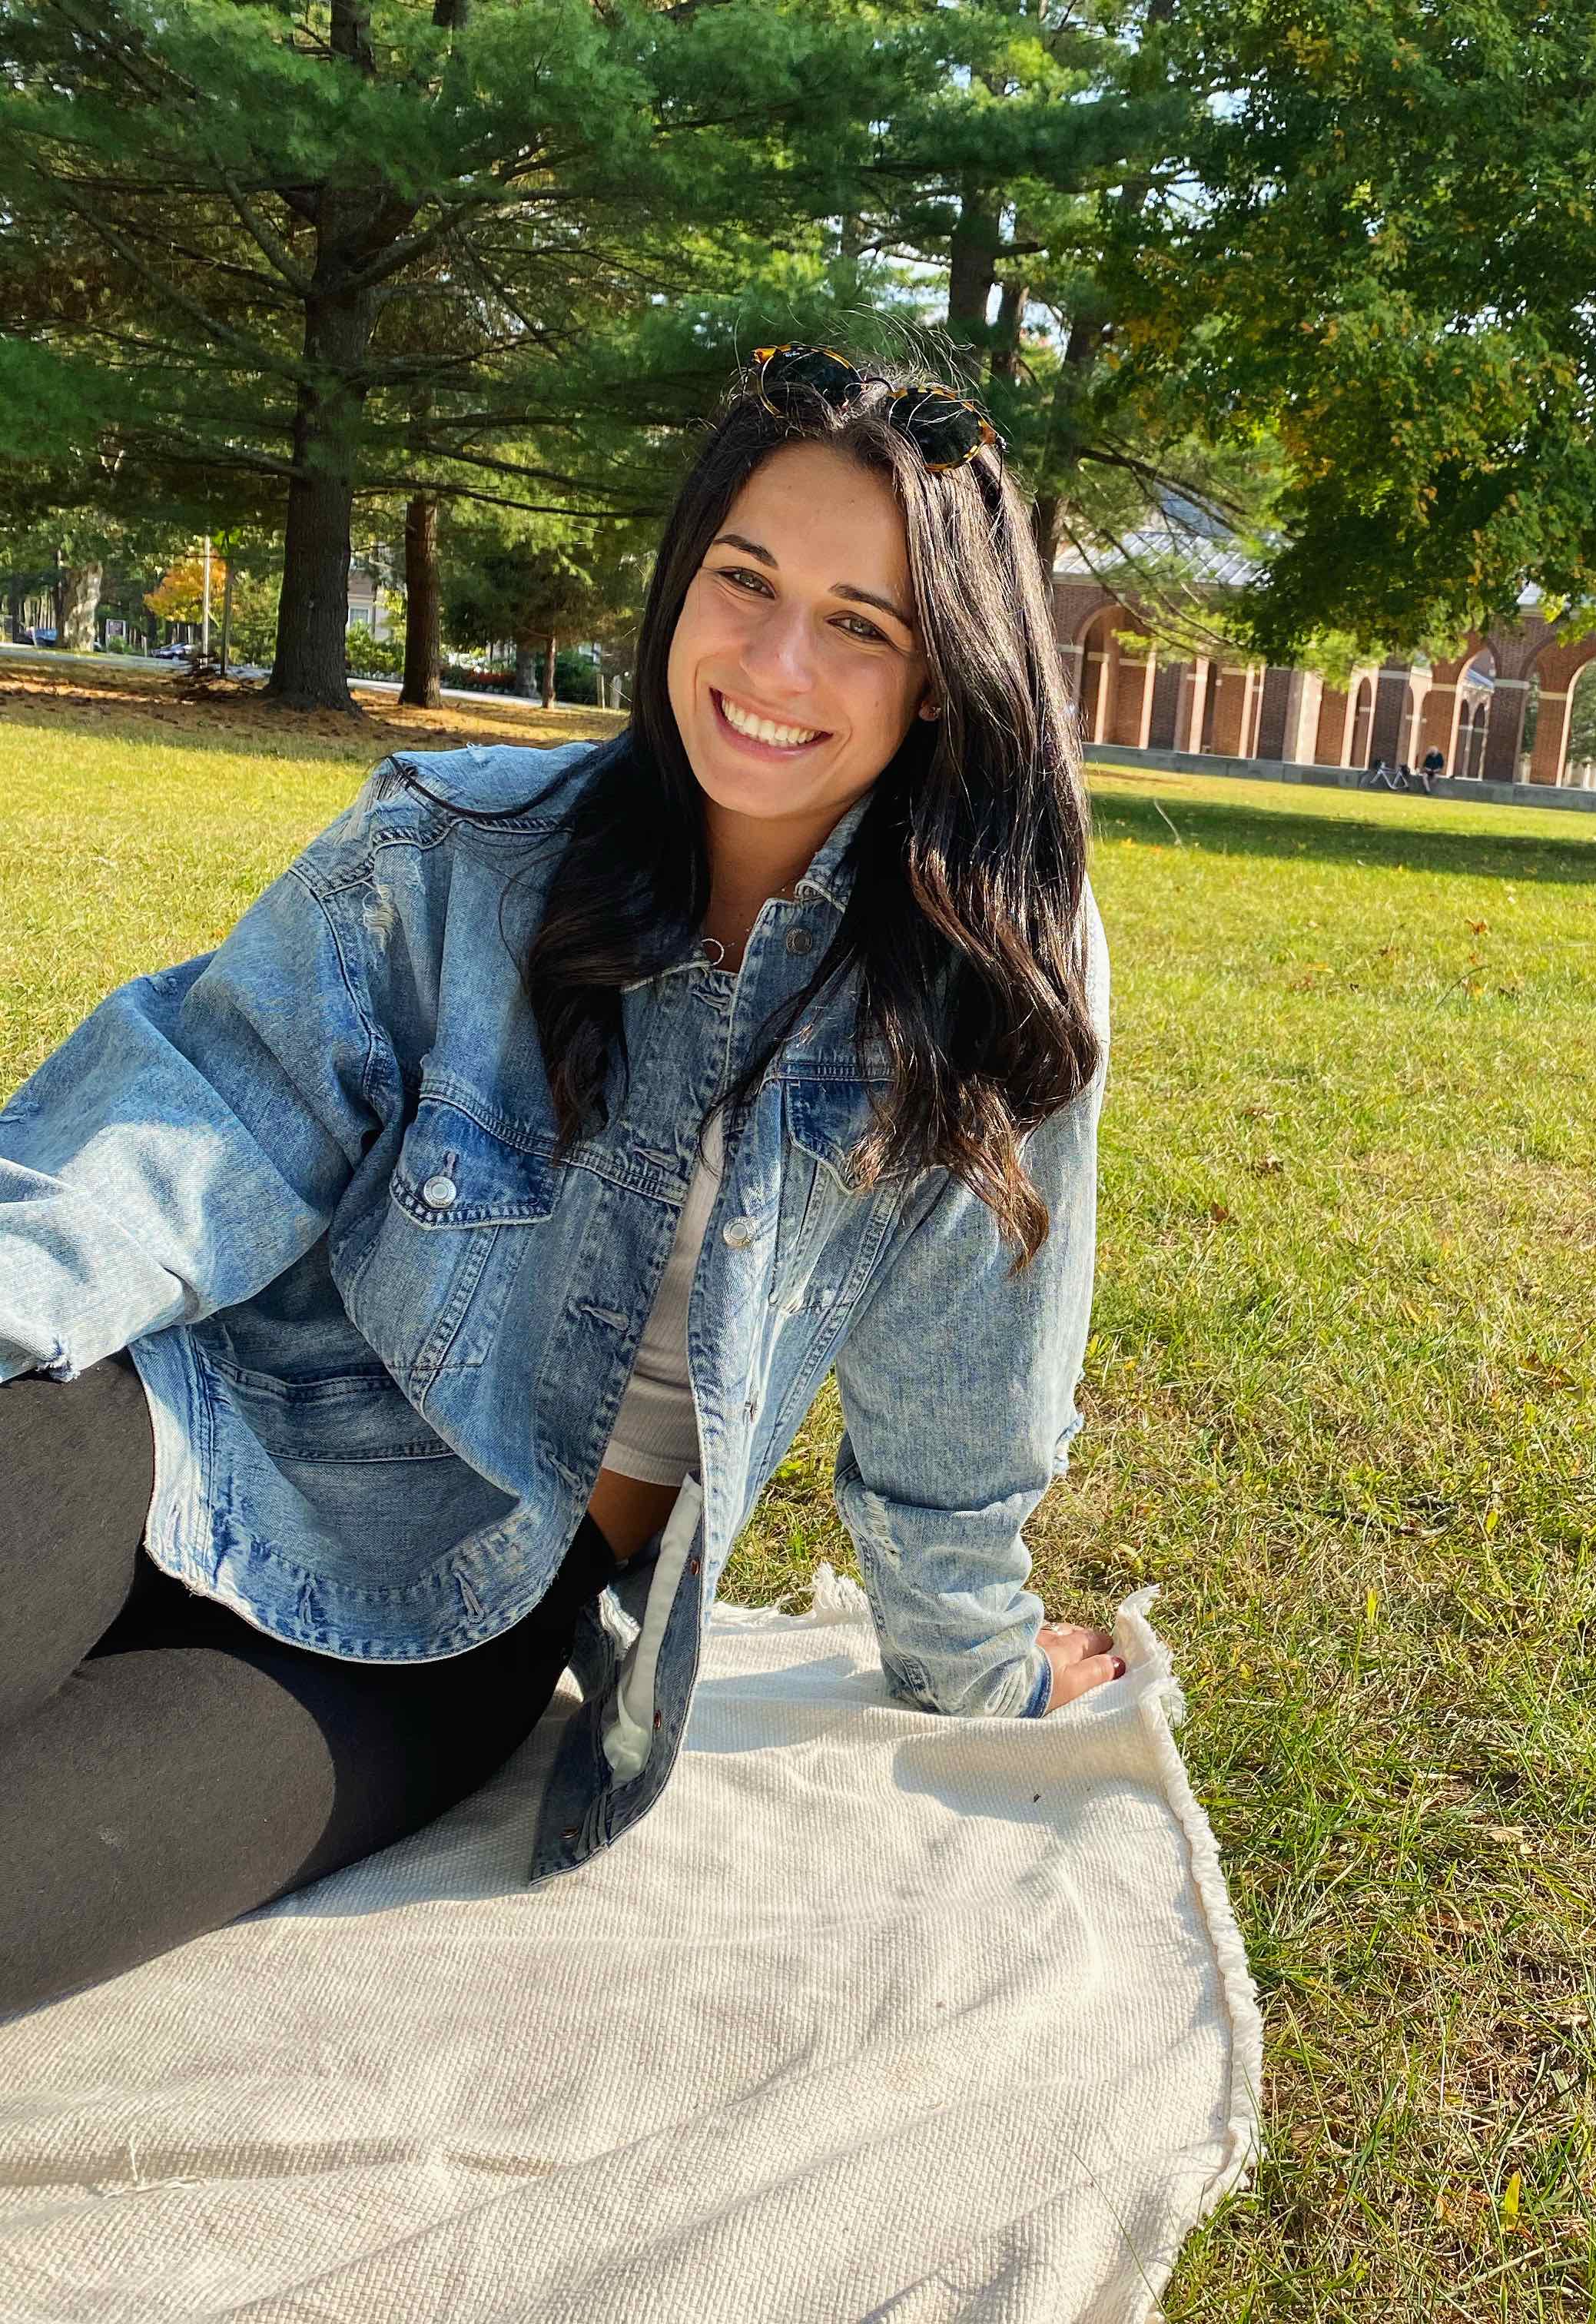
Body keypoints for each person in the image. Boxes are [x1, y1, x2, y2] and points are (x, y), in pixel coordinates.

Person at [0, 345, 1120, 2017]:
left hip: (456, 1612)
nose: (775, 658)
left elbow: (968, 1385)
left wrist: (978, 1658)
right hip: (170, 1413)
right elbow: (202, 1117)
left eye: (861, 622)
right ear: (682, 583)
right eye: (742, 580)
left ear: (942, 675)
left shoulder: (987, 981)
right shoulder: (454, 847)